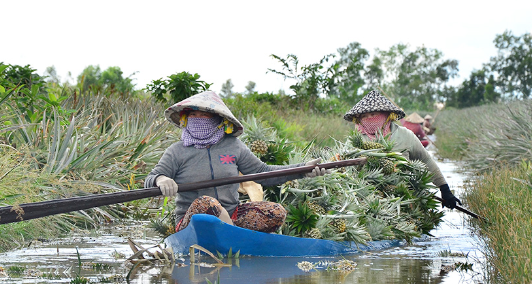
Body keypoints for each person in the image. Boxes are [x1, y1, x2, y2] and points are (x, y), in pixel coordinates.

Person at [145, 91, 330, 233]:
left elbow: (263, 172)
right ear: (185, 118)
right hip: (192, 222)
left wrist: (303, 170)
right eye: (192, 115)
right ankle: (234, 236)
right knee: (206, 203)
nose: (197, 119)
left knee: (275, 211)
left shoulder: (233, 146)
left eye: (204, 115)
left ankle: (234, 234)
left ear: (219, 120)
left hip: (230, 215)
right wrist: (161, 180)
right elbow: (152, 177)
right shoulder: (177, 151)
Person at [343, 90, 460, 210]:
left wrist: (444, 189)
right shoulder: (355, 140)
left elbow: (426, 160)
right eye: (364, 116)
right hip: (367, 199)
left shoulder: (405, 135)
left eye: (373, 114)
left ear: (386, 114)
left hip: (402, 197)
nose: (369, 118)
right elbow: (344, 165)